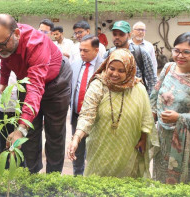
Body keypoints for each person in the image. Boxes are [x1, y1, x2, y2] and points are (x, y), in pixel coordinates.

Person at [0, 14, 72, 173]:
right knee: (29, 135)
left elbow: (35, 87)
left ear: (17, 34)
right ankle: (32, 176)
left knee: (54, 134)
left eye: (1, 44)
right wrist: (4, 81)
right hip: (27, 80)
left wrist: (21, 128)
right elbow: (4, 58)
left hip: (56, 82)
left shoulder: (36, 43)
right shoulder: (3, 40)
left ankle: (52, 180)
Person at [67, 48, 158, 178]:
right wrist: (76, 138)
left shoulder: (138, 88)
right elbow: (87, 114)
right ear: (106, 66)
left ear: (130, 70)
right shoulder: (98, 85)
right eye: (112, 68)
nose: (115, 74)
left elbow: (146, 118)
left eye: (121, 71)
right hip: (100, 146)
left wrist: (144, 139)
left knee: (126, 184)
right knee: (97, 182)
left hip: (128, 146)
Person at [150, 32, 190, 184]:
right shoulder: (169, 69)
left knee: (185, 186)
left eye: (186, 52)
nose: (180, 56)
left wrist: (181, 118)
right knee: (161, 183)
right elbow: (154, 98)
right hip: (163, 139)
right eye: (176, 50)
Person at [70, 35, 104, 175]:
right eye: (80, 50)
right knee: (77, 148)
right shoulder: (75, 64)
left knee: (94, 149)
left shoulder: (104, 66)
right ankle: (77, 176)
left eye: (86, 50)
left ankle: (92, 177)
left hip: (96, 118)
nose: (82, 53)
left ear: (96, 50)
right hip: (77, 115)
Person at [104, 21, 156, 95]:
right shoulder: (109, 54)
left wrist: (148, 99)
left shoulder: (140, 53)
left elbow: (151, 79)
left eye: (121, 34)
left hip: (136, 98)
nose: (117, 37)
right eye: (114, 34)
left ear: (129, 35)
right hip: (114, 98)